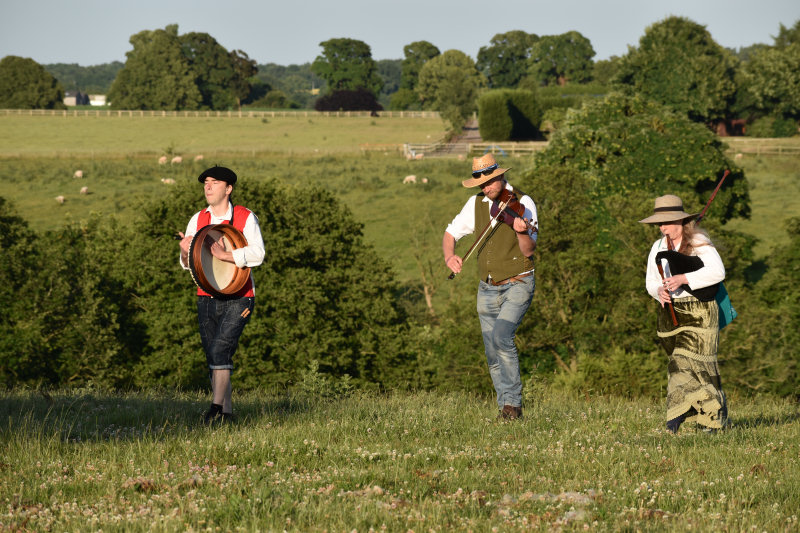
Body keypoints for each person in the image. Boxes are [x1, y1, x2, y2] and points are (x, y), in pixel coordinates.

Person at [442, 154, 538, 420]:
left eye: (489, 182)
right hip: (487, 287)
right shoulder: (476, 204)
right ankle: (504, 407)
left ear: (500, 176)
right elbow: (450, 234)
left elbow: (529, 249)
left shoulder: (523, 202)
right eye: (481, 184)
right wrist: (450, 256)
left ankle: (514, 406)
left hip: (518, 281)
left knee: (502, 337)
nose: (486, 188)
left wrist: (521, 231)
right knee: (491, 351)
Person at [178, 166, 265, 424]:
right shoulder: (197, 219)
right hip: (205, 296)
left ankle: (214, 409)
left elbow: (258, 254)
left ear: (228, 189)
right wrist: (184, 251)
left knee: (220, 350)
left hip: (240, 296)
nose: (208, 186)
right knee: (215, 356)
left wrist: (225, 255)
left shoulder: (245, 217)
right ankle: (227, 415)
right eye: (206, 182)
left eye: (214, 182)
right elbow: (187, 263)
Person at [640, 194, 728, 434]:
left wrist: (684, 278)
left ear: (681, 222)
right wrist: (658, 291)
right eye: (659, 223)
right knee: (681, 365)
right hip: (671, 314)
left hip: (700, 312)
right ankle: (705, 418)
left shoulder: (698, 241)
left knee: (689, 364)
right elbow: (650, 281)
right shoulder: (657, 247)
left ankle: (687, 420)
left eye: (667, 222)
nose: (662, 227)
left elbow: (718, 272)